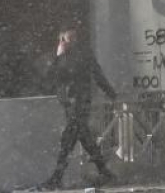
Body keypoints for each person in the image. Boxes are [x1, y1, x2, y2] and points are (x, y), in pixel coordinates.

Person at [41, 24, 117, 190]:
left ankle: (57, 177)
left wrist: (111, 93)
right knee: (84, 137)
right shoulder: (59, 58)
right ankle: (105, 172)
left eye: (75, 37)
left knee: (68, 140)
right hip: (69, 104)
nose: (73, 41)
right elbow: (49, 78)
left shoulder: (83, 55)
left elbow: (97, 74)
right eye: (69, 38)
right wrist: (58, 56)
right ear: (61, 39)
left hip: (80, 102)